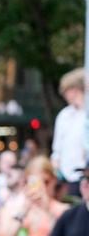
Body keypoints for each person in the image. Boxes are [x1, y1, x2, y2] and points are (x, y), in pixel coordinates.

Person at [51, 68, 86, 196]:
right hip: (66, 176)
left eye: (67, 91)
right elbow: (57, 148)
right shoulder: (64, 115)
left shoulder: (86, 114)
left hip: (84, 175)